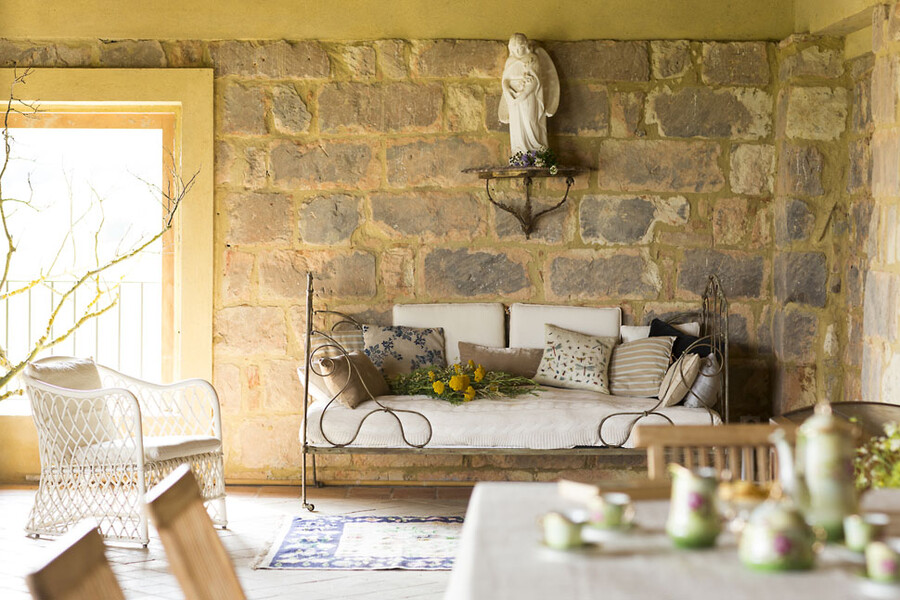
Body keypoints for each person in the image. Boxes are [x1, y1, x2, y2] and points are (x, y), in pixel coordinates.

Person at [499, 33, 558, 156]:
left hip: (529, 97)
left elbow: (536, 80)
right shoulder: (510, 61)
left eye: (520, 47)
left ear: (525, 46)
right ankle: (520, 153)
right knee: (517, 126)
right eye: (514, 48)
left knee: (530, 120)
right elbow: (505, 79)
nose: (517, 50)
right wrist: (508, 92)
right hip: (513, 98)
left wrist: (523, 95)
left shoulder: (532, 58)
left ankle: (537, 152)